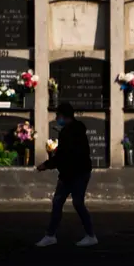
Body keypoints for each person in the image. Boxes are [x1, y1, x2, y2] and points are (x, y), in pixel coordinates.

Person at [35, 102, 97, 247]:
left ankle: (89, 235)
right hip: (76, 172)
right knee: (65, 202)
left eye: (58, 115)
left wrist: (46, 165)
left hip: (74, 173)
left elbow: (64, 155)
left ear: (63, 116)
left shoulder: (68, 133)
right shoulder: (76, 130)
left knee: (71, 203)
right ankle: (52, 235)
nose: (57, 118)